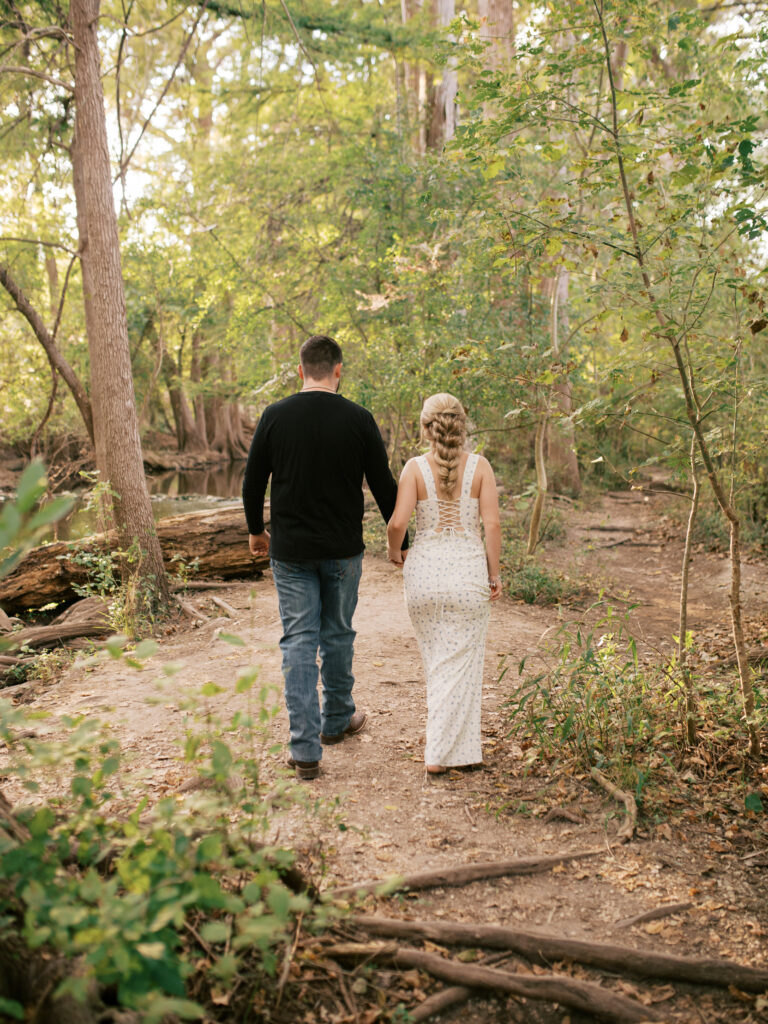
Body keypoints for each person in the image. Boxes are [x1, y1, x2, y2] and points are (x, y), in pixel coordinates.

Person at [243, 335, 407, 780]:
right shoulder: (358, 418)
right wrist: (403, 539)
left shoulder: (275, 416)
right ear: (338, 370)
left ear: (301, 371)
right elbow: (383, 484)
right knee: (337, 632)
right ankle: (336, 722)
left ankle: (305, 749)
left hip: (291, 551)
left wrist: (257, 531)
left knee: (298, 640)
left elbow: (253, 479)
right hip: (342, 551)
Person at [386, 393, 501, 774]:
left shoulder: (414, 468)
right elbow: (492, 525)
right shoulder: (480, 467)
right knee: (462, 665)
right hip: (468, 576)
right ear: (461, 425)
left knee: (439, 663)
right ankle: (440, 753)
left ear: (426, 427)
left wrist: (394, 552)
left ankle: (463, 752)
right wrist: (494, 573)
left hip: (424, 577)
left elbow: (398, 524)